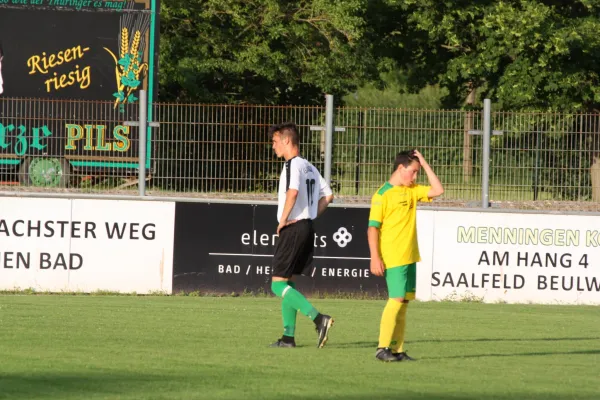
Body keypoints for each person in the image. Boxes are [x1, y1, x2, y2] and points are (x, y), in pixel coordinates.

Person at [367, 149, 444, 362]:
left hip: (410, 255)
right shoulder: (382, 195)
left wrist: (424, 163)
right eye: (413, 171)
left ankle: (397, 350)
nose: (415, 176)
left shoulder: (412, 190)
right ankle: (382, 348)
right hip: (393, 256)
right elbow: (372, 228)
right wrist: (375, 257)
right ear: (401, 169)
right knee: (396, 299)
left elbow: (438, 190)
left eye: (418, 172)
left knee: (404, 303)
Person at [268, 122, 335, 349]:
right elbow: (329, 195)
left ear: (287, 140)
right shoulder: (310, 166)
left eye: (275, 141)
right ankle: (288, 338)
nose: (273, 146)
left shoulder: (292, 165)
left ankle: (318, 318)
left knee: (277, 285)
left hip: (294, 228)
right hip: (306, 227)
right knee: (289, 283)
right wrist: (311, 215)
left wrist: (283, 220)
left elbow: (293, 192)